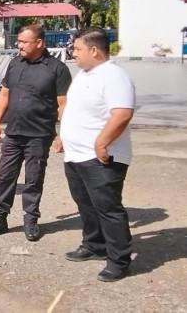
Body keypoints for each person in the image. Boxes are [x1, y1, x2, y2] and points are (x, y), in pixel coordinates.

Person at [0, 24, 72, 241]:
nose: (18, 45)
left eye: (23, 42)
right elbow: (4, 94)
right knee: (5, 177)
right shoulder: (14, 64)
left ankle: (30, 221)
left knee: (33, 180)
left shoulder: (57, 69)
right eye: (19, 41)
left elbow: (63, 104)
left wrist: (63, 134)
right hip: (13, 133)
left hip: (39, 135)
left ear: (39, 43)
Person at [61, 28, 135, 282]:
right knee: (85, 204)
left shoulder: (114, 76)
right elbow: (75, 108)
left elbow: (122, 113)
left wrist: (102, 144)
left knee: (108, 208)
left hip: (102, 157)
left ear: (94, 50)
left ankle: (119, 260)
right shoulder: (83, 74)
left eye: (78, 49)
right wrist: (63, 135)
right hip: (76, 154)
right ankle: (94, 245)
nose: (74, 53)